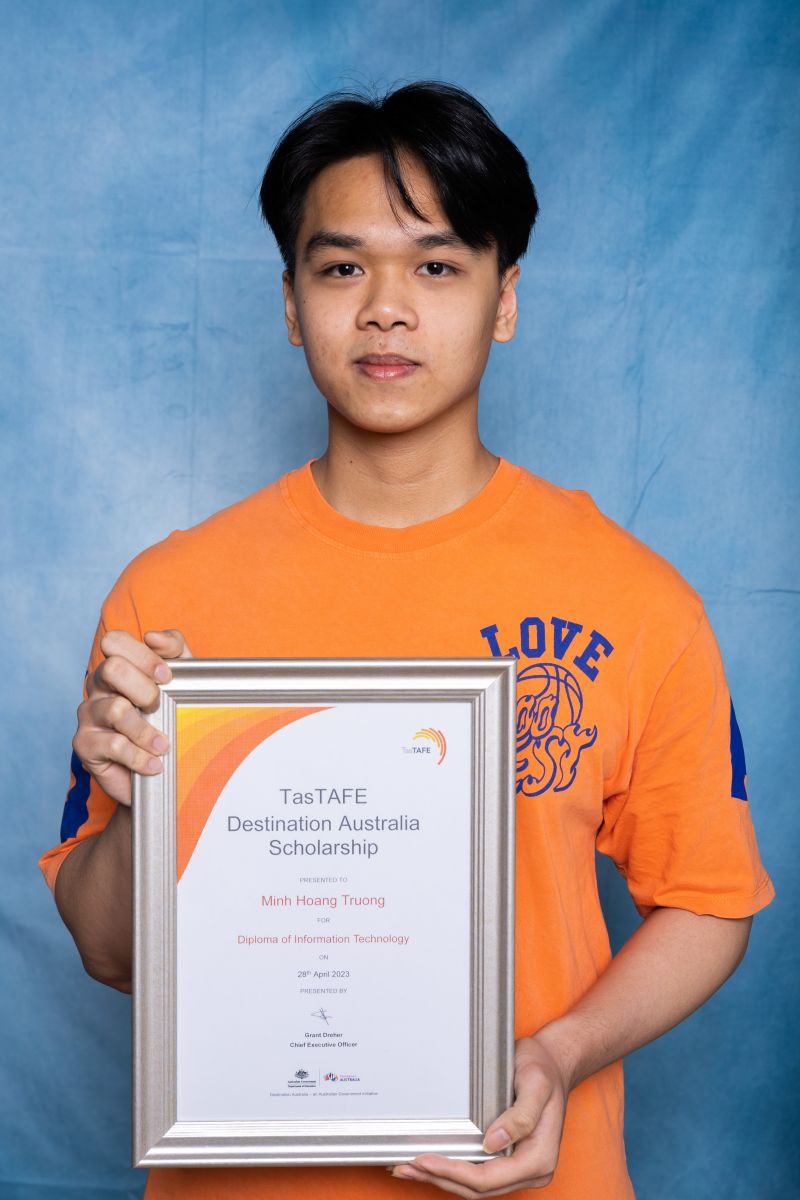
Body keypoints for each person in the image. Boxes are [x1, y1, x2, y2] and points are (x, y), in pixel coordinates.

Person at [39, 81, 774, 1200]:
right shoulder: (166, 599)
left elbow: (709, 901)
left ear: (504, 298)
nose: (385, 307)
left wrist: (562, 1052)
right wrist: (145, 792)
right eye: (341, 268)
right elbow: (107, 950)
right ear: (290, 304)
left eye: (435, 266)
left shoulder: (634, 601)